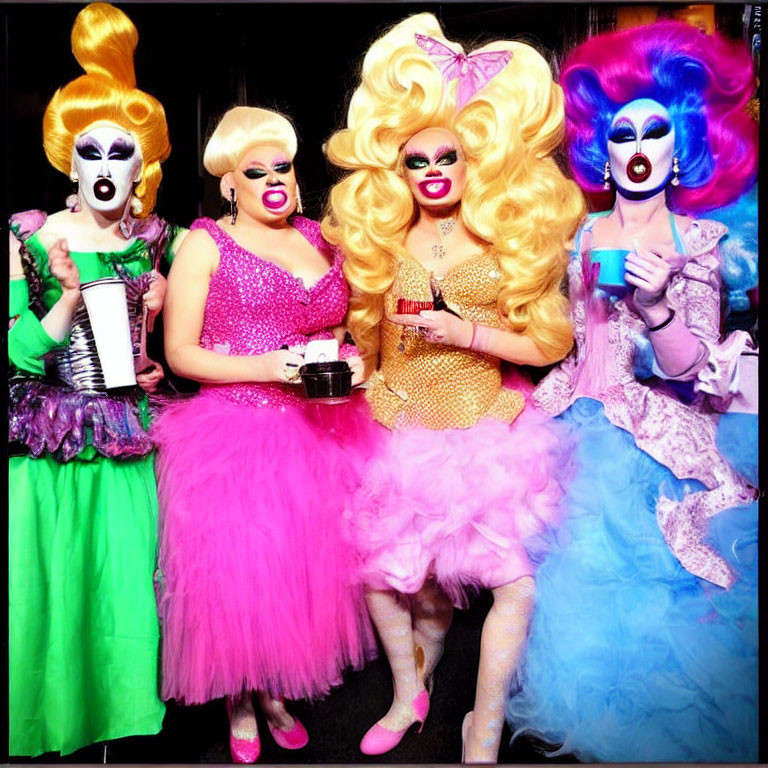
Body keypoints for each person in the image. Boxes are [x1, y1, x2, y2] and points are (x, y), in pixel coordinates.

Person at [323, 13, 585, 762]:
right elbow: (364, 343)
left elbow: (548, 343)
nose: (434, 169)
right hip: (401, 431)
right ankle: (410, 693)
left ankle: (484, 722)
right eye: (417, 161)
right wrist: (352, 377)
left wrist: (467, 332)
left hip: (482, 430)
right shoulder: (381, 242)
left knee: (516, 586)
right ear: (396, 171)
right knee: (387, 577)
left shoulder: (507, 240)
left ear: (476, 163)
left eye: (449, 156)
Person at [505, 21, 759, 762]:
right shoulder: (577, 237)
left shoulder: (699, 243)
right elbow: (560, 336)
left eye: (657, 132)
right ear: (603, 152)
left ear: (681, 147)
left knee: (666, 605)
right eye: (624, 134)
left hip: (663, 431)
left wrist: (657, 308)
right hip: (573, 419)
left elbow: (690, 369)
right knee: (570, 598)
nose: (640, 147)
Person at [151, 106, 375, 764]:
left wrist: (351, 354)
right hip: (236, 431)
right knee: (240, 579)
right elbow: (181, 354)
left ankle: (274, 691)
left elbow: (342, 325)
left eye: (283, 167)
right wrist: (267, 366)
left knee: (299, 575)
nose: (275, 179)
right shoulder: (204, 244)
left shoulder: (320, 235)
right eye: (258, 171)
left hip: (321, 428)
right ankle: (241, 701)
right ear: (230, 184)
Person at [8, 2, 178, 756]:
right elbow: (17, 352)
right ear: (67, 162)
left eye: (121, 153)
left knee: (124, 593)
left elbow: (149, 353)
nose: (106, 168)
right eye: (91, 153)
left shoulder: (150, 242)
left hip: (126, 435)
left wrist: (152, 360)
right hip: (48, 445)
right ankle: (49, 730)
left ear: (141, 165)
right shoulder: (29, 236)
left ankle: (119, 729)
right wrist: (69, 293)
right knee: (51, 592)